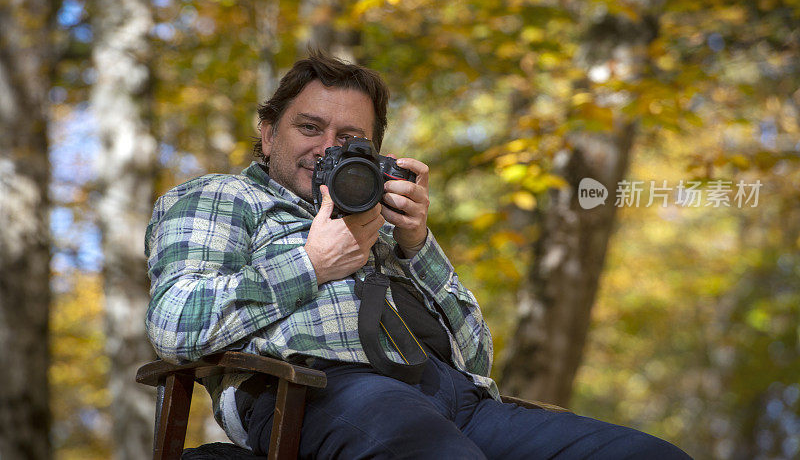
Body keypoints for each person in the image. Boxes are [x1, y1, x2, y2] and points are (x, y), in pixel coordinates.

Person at [145, 52, 691, 459]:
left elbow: (476, 359)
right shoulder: (220, 197)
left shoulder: (382, 218)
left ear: (374, 152)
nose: (324, 146)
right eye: (309, 127)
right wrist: (310, 264)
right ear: (267, 134)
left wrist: (416, 245)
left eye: (347, 138)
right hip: (314, 392)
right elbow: (174, 323)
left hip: (455, 401)